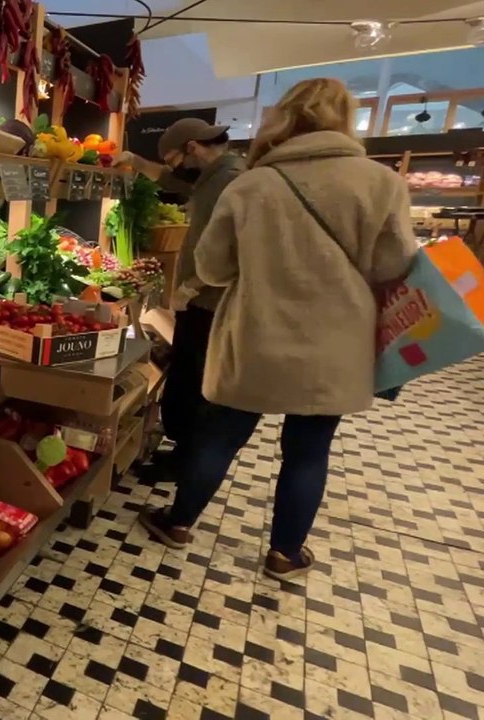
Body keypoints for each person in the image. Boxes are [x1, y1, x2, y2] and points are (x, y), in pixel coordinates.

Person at [139, 78, 419, 580]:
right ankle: (285, 554)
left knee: (222, 435)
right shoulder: (382, 183)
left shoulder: (252, 183)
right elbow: (394, 265)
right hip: (339, 340)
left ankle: (178, 522)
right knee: (309, 449)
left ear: (283, 119)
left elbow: (214, 267)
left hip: (256, 333)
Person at [118, 119, 245, 479]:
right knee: (187, 381)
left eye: (174, 158)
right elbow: (171, 180)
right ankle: (185, 454)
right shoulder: (212, 175)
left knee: (195, 385)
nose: (175, 168)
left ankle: (189, 462)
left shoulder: (231, 181)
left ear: (192, 148)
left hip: (210, 303)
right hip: (201, 302)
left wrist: (192, 286)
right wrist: (135, 161)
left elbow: (229, 250)